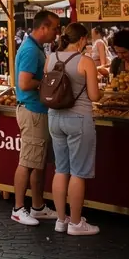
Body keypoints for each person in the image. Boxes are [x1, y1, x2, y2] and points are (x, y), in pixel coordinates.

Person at [44, 23, 101, 236]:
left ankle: (61, 220)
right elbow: (95, 96)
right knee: (78, 172)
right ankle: (76, 223)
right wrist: (101, 92)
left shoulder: (50, 58)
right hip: (79, 118)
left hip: (54, 117)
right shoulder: (85, 61)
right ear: (83, 39)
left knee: (61, 169)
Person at [11, 10, 61, 227]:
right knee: (27, 162)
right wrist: (46, 83)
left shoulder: (35, 47)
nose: (57, 32)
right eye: (55, 28)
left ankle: (37, 206)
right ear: (43, 27)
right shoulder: (31, 50)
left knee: (37, 163)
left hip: (37, 111)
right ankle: (18, 208)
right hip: (32, 111)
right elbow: (24, 83)